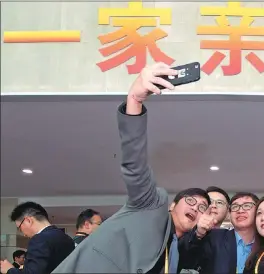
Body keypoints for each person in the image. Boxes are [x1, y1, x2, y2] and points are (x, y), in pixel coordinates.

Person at [52, 62, 211, 273]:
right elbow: (135, 165)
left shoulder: (174, 252)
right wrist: (134, 100)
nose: (195, 208)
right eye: (191, 201)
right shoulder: (151, 205)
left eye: (202, 208)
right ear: (173, 205)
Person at [180, 192, 259, 274]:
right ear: (229, 214)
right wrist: (199, 233)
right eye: (235, 207)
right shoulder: (215, 238)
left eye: (247, 206)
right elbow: (186, 259)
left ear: (258, 211)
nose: (240, 210)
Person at [0, 202, 74, 274]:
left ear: (28, 221)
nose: (24, 234)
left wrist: (9, 270)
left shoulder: (39, 240)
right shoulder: (66, 238)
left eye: (20, 228)